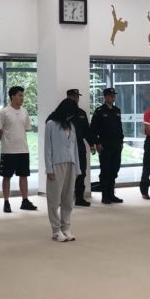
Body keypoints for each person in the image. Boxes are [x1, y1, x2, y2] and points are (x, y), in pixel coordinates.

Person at [41, 94, 85, 240]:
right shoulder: (51, 124)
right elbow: (47, 148)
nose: (72, 116)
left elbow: (75, 148)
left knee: (68, 199)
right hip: (56, 164)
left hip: (71, 164)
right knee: (54, 199)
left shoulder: (71, 126)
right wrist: (49, 168)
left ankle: (66, 228)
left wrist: (78, 168)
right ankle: (56, 230)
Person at [0, 86, 35, 214]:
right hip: (8, 151)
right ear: (12, 96)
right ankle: (6, 202)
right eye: (19, 95)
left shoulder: (24, 112)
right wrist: (6, 141)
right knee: (6, 176)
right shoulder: (4, 112)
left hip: (23, 149)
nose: (22, 98)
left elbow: (26, 129)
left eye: (22, 95)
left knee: (24, 176)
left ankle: (25, 200)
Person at [88, 90, 124, 205]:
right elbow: (93, 130)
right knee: (105, 170)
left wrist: (121, 141)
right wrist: (97, 143)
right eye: (111, 96)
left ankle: (111, 194)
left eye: (114, 95)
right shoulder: (99, 111)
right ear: (105, 97)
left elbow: (119, 128)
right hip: (105, 145)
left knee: (114, 169)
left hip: (116, 145)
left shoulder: (117, 110)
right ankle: (105, 195)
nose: (113, 97)